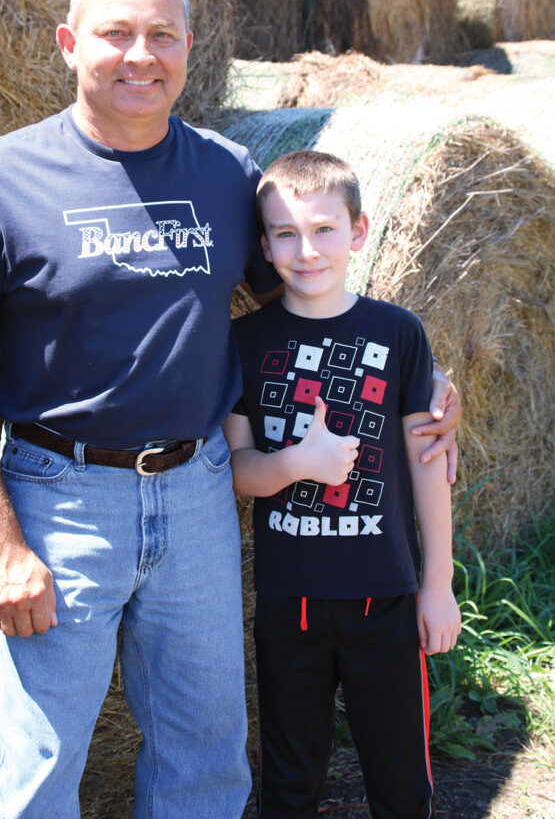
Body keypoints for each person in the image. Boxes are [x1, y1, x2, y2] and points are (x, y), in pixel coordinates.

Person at [0, 0, 460, 819]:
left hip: (197, 493)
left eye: (161, 34)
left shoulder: (224, 173)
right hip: (60, 497)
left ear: (188, 48)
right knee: (41, 765)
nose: (140, 55)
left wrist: (418, 374)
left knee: (205, 760)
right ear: (67, 43)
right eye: (115, 33)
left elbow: (306, 299)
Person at [224, 149, 462, 819]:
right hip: (288, 601)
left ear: (357, 232)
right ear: (264, 245)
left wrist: (435, 584)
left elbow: (427, 462)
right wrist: (298, 463)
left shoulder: (397, 332)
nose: (306, 250)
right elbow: (238, 470)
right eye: (286, 234)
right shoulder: (243, 342)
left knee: (401, 781)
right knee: (290, 781)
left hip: (383, 598)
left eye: (324, 229)